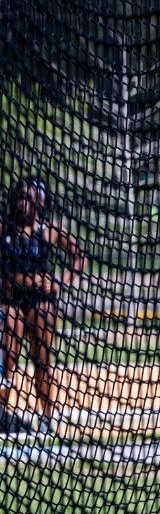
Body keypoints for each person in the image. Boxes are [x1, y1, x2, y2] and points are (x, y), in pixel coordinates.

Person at [1, 179, 84, 435]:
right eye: (20, 196)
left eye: (29, 197)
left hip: (41, 304)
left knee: (42, 361)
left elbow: (79, 256)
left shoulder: (48, 230)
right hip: (12, 301)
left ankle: (47, 418)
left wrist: (59, 281)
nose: (23, 202)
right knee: (7, 359)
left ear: (40, 202)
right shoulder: (6, 228)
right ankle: (2, 415)